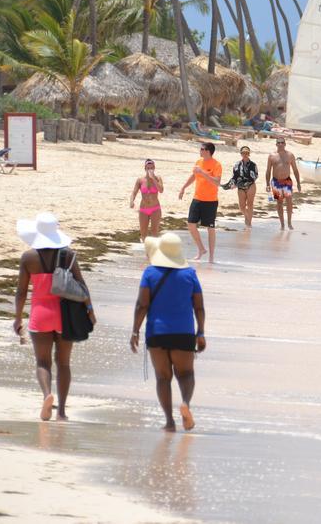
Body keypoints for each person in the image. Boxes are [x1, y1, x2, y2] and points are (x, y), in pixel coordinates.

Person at [14, 213, 95, 421]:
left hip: (40, 314)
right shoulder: (68, 255)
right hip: (65, 314)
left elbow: (21, 292)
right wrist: (90, 311)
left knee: (43, 362)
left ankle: (47, 395)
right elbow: (81, 284)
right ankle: (61, 412)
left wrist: (17, 318)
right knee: (64, 363)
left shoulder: (28, 258)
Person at [130, 233, 206, 432]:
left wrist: (135, 331)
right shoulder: (189, 274)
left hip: (157, 332)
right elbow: (199, 307)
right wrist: (201, 333)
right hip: (184, 332)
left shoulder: (150, 273)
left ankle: (169, 422)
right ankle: (185, 404)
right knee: (186, 374)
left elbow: (142, 304)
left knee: (163, 378)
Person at [178, 142, 222, 262]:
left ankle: (211, 256)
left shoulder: (216, 164)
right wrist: (183, 187)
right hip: (197, 198)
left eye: (202, 149)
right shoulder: (198, 162)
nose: (200, 150)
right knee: (191, 224)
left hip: (211, 201)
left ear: (208, 151)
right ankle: (201, 249)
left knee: (210, 228)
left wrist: (203, 172)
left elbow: (217, 182)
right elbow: (194, 176)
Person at [264, 138, 302, 230]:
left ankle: (289, 223)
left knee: (289, 201)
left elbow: (295, 170)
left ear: (285, 144)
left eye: (282, 143)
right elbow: (268, 171)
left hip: (287, 181)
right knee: (279, 202)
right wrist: (267, 184)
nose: (280, 144)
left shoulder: (290, 155)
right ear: (276, 144)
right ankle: (282, 224)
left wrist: (298, 183)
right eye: (278, 143)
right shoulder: (272, 156)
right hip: (276, 182)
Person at [222, 146, 258, 229]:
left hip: (250, 185)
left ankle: (249, 223)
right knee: (241, 207)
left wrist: (246, 182)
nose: (245, 154)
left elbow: (255, 176)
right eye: (243, 153)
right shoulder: (237, 164)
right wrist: (232, 184)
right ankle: (247, 217)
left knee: (250, 204)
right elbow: (234, 176)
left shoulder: (253, 164)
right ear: (241, 154)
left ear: (249, 154)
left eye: (247, 153)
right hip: (240, 186)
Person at [130, 159, 164, 241]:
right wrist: (131, 201)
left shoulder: (158, 178)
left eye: (151, 168)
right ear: (145, 168)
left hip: (155, 209)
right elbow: (134, 192)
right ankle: (147, 252)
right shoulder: (140, 180)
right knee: (143, 233)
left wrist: (153, 179)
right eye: (148, 168)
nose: (150, 170)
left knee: (154, 232)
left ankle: (154, 252)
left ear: (154, 168)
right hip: (143, 209)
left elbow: (161, 190)